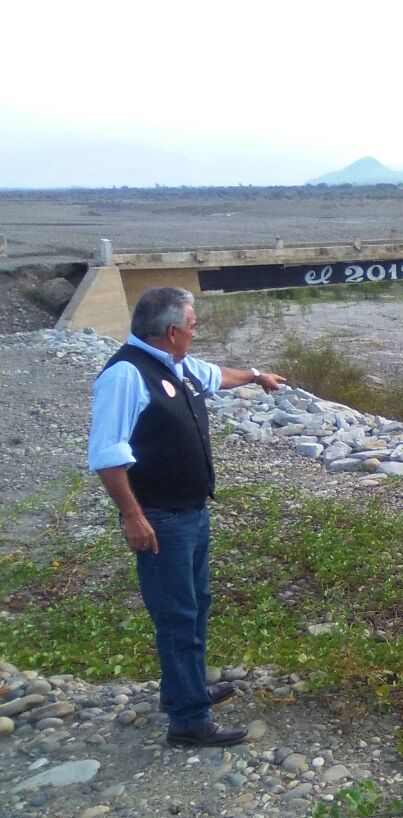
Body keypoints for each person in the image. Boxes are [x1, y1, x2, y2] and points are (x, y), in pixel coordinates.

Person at [87, 286, 286, 748]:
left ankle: (184, 692)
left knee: (194, 606)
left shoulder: (175, 365)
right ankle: (189, 722)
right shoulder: (126, 376)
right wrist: (133, 517)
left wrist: (257, 375)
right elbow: (107, 455)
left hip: (191, 513)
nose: (196, 334)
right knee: (177, 616)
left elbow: (217, 375)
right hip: (160, 518)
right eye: (193, 327)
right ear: (173, 331)